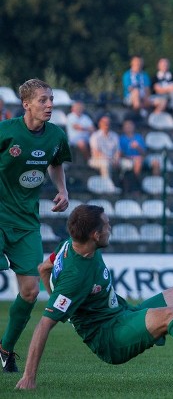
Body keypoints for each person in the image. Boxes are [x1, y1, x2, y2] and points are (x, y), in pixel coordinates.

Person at [15, 204, 173, 390]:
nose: (110, 228)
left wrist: (61, 303)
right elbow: (44, 325)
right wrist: (28, 377)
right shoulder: (76, 276)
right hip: (110, 338)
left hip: (123, 314)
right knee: (169, 316)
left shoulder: (70, 244)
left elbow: (43, 269)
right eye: (107, 225)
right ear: (95, 236)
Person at [0, 78, 71, 373]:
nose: (50, 104)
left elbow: (56, 162)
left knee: (30, 292)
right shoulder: (6, 131)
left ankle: (5, 351)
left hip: (27, 222)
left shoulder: (55, 135)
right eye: (43, 100)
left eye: (51, 99)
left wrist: (63, 190)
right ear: (26, 104)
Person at [88, 116, 121, 183]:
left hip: (112, 159)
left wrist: (116, 159)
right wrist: (109, 159)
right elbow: (95, 153)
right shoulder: (95, 136)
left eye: (108, 122)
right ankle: (107, 186)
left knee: (128, 164)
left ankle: (127, 187)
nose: (106, 124)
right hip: (97, 159)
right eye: (104, 122)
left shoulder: (115, 136)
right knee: (105, 164)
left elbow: (118, 150)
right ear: (100, 124)